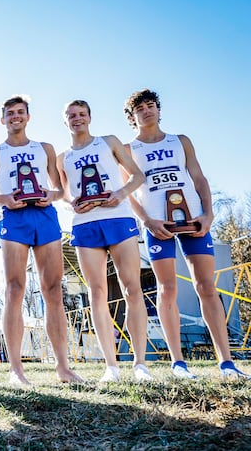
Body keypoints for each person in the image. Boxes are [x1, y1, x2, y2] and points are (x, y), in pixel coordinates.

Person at [124, 89, 248, 379]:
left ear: (158, 109)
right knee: (167, 289)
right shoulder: (130, 150)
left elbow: (199, 178)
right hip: (158, 225)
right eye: (140, 108)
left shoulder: (180, 141)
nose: (147, 111)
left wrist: (208, 214)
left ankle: (227, 364)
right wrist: (147, 221)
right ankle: (179, 363)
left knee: (206, 286)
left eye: (151, 105)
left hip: (193, 220)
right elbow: (128, 192)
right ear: (132, 117)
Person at [0, 95, 82, 385]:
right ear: (2, 119)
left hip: (45, 216)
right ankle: (16, 370)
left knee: (53, 290)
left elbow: (60, 189)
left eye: (20, 112)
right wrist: (6, 199)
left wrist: (50, 195)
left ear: (28, 116)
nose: (15, 116)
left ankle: (63, 367)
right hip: (14, 218)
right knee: (14, 289)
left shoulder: (44, 148)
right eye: (10, 113)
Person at [57, 100, 151, 382]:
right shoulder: (62, 158)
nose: (77, 119)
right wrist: (71, 202)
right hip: (86, 225)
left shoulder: (108, 141)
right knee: (96, 293)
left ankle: (140, 364)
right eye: (71, 116)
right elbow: (61, 193)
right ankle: (111, 366)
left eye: (82, 114)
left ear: (90, 117)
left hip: (119, 218)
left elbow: (137, 176)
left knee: (132, 288)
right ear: (65, 121)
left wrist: (120, 194)